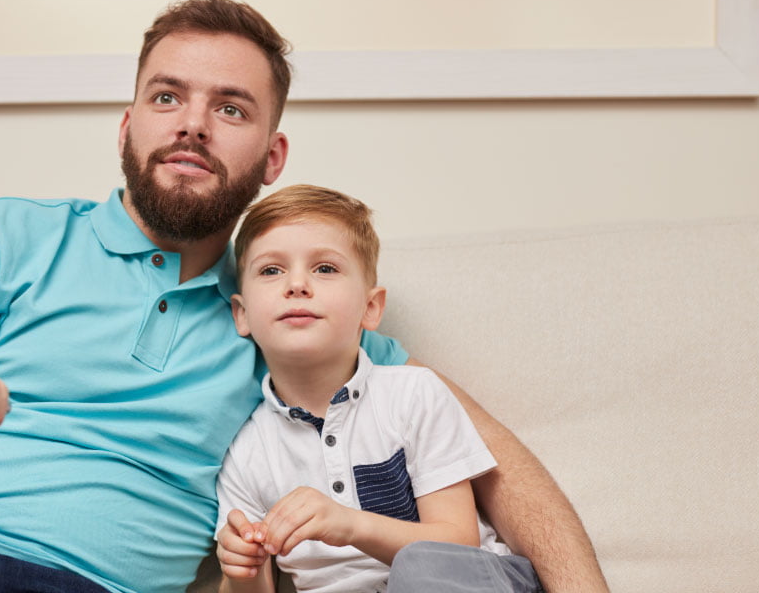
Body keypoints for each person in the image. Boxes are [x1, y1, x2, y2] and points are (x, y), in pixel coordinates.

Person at [0, 0, 606, 592]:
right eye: (168, 96)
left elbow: (489, 461)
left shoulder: (281, 305)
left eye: (231, 107)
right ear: (128, 120)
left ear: (272, 154)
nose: (191, 125)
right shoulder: (9, 233)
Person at [215, 185, 542, 593]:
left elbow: (460, 541)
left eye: (325, 269)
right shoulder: (248, 450)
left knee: (418, 570)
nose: (296, 284)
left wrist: (350, 524)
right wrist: (240, 571)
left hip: (466, 580)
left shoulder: (414, 395)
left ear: (371, 308)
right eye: (271, 270)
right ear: (242, 315)